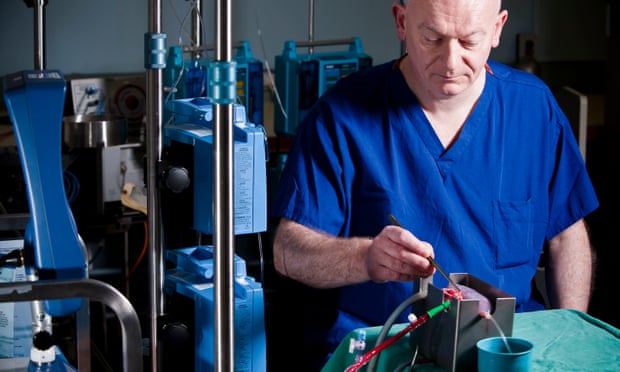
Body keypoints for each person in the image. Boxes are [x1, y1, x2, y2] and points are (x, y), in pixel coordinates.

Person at [269, 0, 599, 369]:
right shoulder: (342, 115)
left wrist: (568, 336)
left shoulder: (533, 109)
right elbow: (288, 252)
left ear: (497, 29)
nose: (450, 62)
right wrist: (365, 258)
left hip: (504, 349)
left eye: (469, 41)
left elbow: (567, 236)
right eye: (432, 38)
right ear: (401, 22)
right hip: (384, 351)